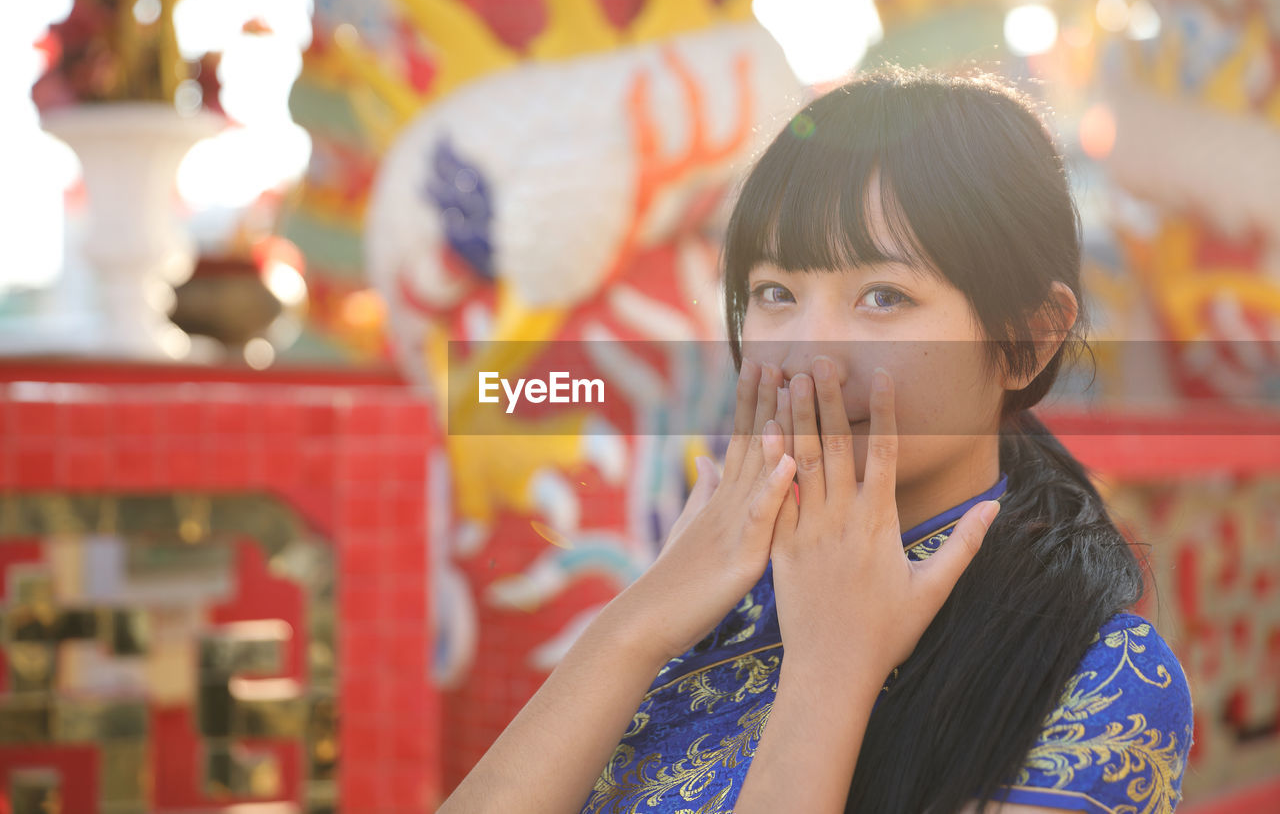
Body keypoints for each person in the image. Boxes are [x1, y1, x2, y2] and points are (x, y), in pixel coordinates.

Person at [437, 67, 1194, 814]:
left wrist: (830, 671)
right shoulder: (705, 611)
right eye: (775, 293)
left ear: (1028, 340)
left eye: (884, 296)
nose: (808, 355)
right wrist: (637, 620)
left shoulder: (1100, 678)